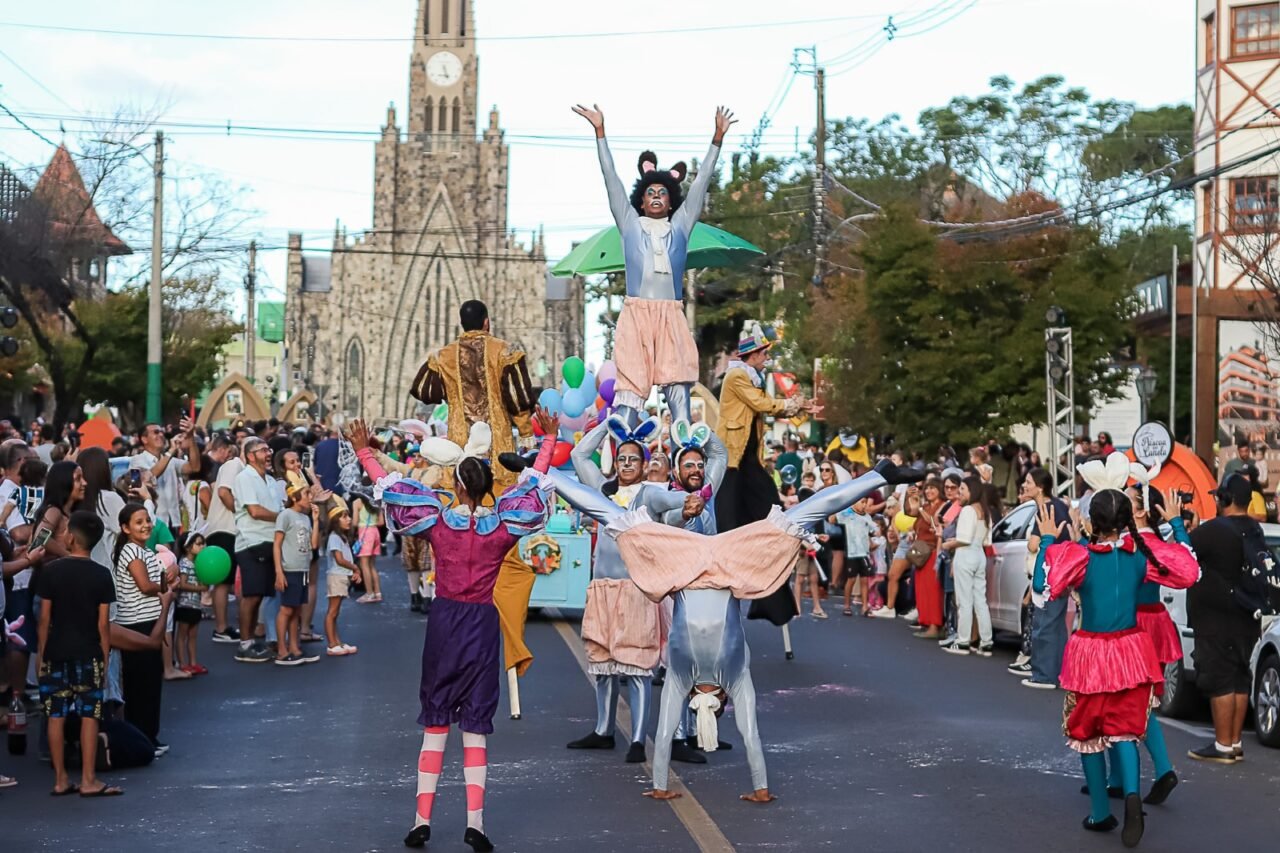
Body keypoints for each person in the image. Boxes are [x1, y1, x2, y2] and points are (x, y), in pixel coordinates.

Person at [544, 456, 918, 805]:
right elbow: (669, 736)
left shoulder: (730, 677)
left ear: (720, 702)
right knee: (609, 514)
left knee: (805, 512)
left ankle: (880, 474)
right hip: (705, 563)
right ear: (702, 699)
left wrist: (761, 788)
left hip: (703, 562)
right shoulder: (685, 678)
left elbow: (748, 736)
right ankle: (540, 470)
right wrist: (661, 786)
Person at [349, 410, 559, 853]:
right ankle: (476, 825)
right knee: (475, 726)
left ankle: (421, 820)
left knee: (436, 722)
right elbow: (533, 487)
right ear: (485, 486)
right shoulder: (501, 526)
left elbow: (391, 490)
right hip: (482, 624)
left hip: (445, 622)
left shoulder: (439, 522)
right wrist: (547, 441)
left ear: (458, 485)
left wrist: (364, 450)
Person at [1034, 461, 1198, 846]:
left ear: (1092, 521)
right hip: (1132, 649)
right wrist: (1175, 525)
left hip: (1090, 653)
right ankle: (1130, 797)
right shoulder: (1140, 554)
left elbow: (1044, 587)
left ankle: (1100, 812)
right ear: (1126, 520)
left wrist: (1046, 540)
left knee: (1086, 729)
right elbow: (1188, 569)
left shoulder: (1079, 556)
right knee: (1126, 728)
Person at [572, 102, 735, 426]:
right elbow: (611, 180)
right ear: (641, 200)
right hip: (636, 316)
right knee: (629, 399)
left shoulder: (681, 227)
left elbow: (701, 183)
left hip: (670, 314)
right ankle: (625, 458)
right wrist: (600, 133)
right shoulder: (630, 225)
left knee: (679, 398)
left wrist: (717, 139)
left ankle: (684, 454)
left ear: (671, 200)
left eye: (663, 191)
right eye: (650, 192)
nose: (657, 195)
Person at [565, 417, 688, 763]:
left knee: (636, 666)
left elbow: (678, 504)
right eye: (622, 458)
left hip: (637, 590)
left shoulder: (650, 494)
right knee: (602, 664)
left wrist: (689, 506)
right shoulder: (601, 489)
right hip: (603, 588)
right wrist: (608, 424)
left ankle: (637, 739)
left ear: (645, 464)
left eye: (634, 459)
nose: (627, 464)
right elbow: (578, 455)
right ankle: (603, 731)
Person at [34, 510, 120, 797]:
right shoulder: (101, 574)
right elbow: (103, 625)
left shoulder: (52, 571)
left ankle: (60, 779)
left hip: (55, 652)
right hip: (89, 653)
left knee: (55, 714)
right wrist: (105, 659)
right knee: (89, 715)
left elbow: (44, 620)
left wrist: (40, 657)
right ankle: (88, 779)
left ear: (70, 537)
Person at [410, 299, 537, 493]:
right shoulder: (504, 351)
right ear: (486, 322)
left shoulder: (443, 356)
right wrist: (526, 433)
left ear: (462, 323)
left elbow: (423, 390)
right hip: (498, 444)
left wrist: (450, 392)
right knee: (498, 496)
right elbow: (516, 399)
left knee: (461, 490)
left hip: (459, 442)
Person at [1186, 474, 1264, 764]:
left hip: (1217, 619)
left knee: (1219, 678)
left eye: (1219, 497)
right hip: (1247, 614)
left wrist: (1187, 527)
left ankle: (1221, 745)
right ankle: (1233, 742)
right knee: (1240, 677)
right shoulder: (1253, 529)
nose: (1216, 501)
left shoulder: (1216, 529)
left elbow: (1185, 549)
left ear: (1227, 500)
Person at [112, 503, 175, 753]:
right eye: (139, 522)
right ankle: (142, 736)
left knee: (150, 682)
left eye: (147, 520)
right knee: (140, 684)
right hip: (137, 623)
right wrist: (165, 588)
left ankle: (149, 735)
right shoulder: (130, 551)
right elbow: (146, 585)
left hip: (150, 620)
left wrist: (169, 577)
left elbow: (158, 581)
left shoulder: (145, 551)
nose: (146, 525)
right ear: (126, 528)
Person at [1018, 467, 1072, 688]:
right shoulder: (1060, 506)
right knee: (1056, 626)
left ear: (1040, 487)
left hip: (1049, 572)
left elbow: (1033, 544)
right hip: (1063, 570)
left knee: (1044, 625)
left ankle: (1044, 675)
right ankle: (1058, 672)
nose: (1025, 485)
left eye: (1029, 482)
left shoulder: (1045, 510)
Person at [232, 438, 282, 664]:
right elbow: (254, 510)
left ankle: (252, 639)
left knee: (261, 594)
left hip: (270, 540)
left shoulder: (270, 480)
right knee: (251, 595)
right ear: (250, 456)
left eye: (268, 449)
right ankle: (245, 644)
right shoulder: (244, 477)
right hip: (251, 541)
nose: (268, 453)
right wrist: (282, 518)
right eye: (263, 450)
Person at [941, 477, 997, 656]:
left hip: (965, 556)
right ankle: (986, 641)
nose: (960, 493)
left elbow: (964, 539)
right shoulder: (985, 511)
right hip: (979, 554)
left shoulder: (967, 510)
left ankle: (963, 641)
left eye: (963, 489)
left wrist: (948, 544)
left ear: (972, 491)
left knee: (964, 601)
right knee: (980, 600)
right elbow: (987, 541)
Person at [272, 484, 321, 666]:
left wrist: (315, 521)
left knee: (297, 610)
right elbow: (277, 544)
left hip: (303, 569)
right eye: (306, 494)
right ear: (294, 497)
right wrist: (279, 571)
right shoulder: (285, 515)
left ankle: (294, 647)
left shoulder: (306, 518)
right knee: (286, 609)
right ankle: (282, 650)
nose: (310, 497)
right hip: (290, 568)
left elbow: (313, 545)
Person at [129, 420, 198, 536]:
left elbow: (194, 467)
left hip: (174, 521)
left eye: (162, 432)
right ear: (144, 439)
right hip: (151, 522)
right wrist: (170, 451)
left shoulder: (170, 461)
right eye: (156, 432)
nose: (161, 435)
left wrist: (191, 438)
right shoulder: (136, 460)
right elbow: (148, 478)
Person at [206, 438, 243, 644]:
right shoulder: (234, 464)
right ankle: (221, 628)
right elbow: (223, 492)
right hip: (224, 529)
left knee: (225, 582)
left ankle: (224, 626)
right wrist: (240, 513)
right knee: (222, 581)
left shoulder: (238, 467)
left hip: (226, 530)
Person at [324, 498, 361, 656]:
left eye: (348, 516)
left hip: (341, 576)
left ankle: (337, 641)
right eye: (344, 517)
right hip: (336, 576)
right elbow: (339, 559)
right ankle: (332, 644)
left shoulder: (342, 538)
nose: (349, 519)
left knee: (335, 612)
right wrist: (355, 567)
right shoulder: (334, 537)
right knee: (332, 612)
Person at [836, 497, 876, 617]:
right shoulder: (848, 514)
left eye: (865, 502)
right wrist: (845, 509)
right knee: (851, 579)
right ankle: (847, 605)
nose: (864, 505)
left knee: (864, 580)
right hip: (852, 553)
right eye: (862, 502)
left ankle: (865, 607)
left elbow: (872, 530)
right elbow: (832, 519)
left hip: (864, 553)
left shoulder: (867, 517)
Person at [174, 532, 208, 675]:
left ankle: (193, 663)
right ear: (188, 547)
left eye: (203, 543)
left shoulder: (198, 563)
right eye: (198, 544)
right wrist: (201, 588)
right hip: (185, 604)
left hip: (196, 604)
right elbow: (182, 584)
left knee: (193, 636)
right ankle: (182, 663)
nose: (202, 546)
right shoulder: (185, 563)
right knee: (182, 635)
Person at [353, 493, 384, 604]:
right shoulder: (376, 501)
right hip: (375, 532)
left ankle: (369, 593)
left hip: (364, 533)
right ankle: (377, 592)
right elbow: (381, 522)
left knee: (364, 565)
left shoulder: (357, 502)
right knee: (372, 565)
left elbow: (355, 522)